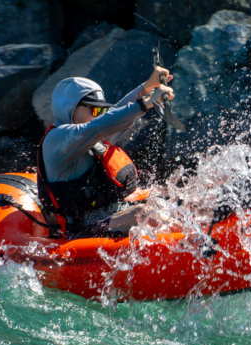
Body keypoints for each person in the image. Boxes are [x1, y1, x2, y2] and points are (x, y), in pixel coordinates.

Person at [37, 67, 175, 238]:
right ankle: (194, 242)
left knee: (174, 201)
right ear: (69, 109)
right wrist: (146, 104)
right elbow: (102, 124)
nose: (99, 115)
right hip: (83, 230)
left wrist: (146, 88)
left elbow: (112, 116)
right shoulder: (57, 140)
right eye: (95, 110)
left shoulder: (92, 136)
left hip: (113, 215)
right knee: (143, 213)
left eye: (101, 111)